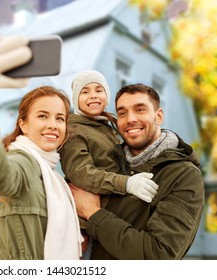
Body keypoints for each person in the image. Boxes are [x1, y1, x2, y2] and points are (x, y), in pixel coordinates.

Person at [0, 34, 83, 260]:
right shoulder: (22, 163)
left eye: (60, 118)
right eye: (43, 116)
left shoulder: (52, 174)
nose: (53, 125)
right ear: (23, 124)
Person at [69, 83, 204, 259]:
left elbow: (158, 255)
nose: (130, 119)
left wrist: (92, 212)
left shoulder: (184, 176)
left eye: (140, 110)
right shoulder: (106, 161)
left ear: (159, 116)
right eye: (122, 113)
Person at [58, 70, 159, 258]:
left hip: (109, 216)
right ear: (75, 99)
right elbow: (81, 173)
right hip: (86, 226)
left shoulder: (106, 125)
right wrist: (126, 183)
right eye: (85, 91)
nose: (93, 95)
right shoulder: (74, 130)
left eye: (99, 90)